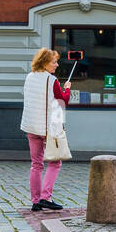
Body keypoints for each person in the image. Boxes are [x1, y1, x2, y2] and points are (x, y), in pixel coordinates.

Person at [20, 48, 71, 211]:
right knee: (55, 162)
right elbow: (63, 102)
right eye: (54, 62)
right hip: (47, 128)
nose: (56, 65)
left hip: (31, 126)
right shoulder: (52, 80)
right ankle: (45, 197)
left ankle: (36, 201)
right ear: (44, 62)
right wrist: (67, 89)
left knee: (36, 164)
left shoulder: (29, 77)